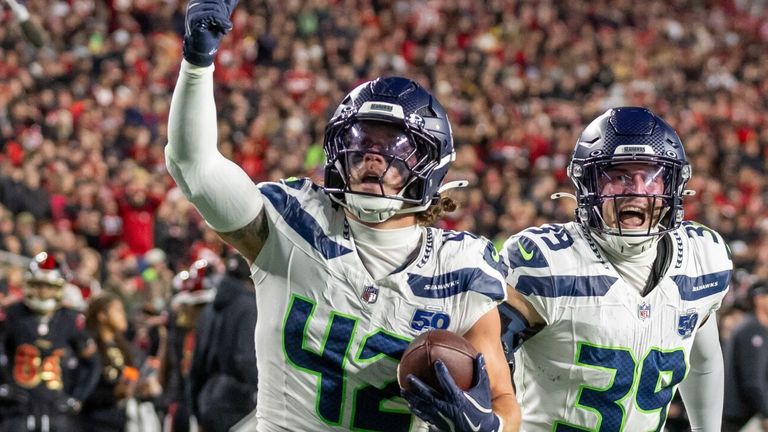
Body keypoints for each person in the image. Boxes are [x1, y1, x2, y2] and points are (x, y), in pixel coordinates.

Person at [164, 1, 520, 431]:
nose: (373, 156)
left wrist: (486, 425)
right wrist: (197, 63)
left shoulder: (461, 268)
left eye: (394, 147)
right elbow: (195, 167)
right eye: (361, 141)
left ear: (430, 166)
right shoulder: (293, 223)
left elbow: (503, 401)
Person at [499, 107, 732, 431]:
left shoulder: (701, 257)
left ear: (672, 186)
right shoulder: (546, 262)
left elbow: (703, 361)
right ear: (588, 185)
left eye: (650, 177)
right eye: (619, 176)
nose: (636, 190)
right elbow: (482, 359)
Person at [0, 251, 101, 432]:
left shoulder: (69, 319)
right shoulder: (12, 314)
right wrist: (4, 385)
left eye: (49, 287)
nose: (43, 292)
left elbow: (92, 363)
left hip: (55, 408)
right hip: (18, 407)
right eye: (38, 285)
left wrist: (77, 397)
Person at [189, 252, 258, 432]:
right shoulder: (250, 306)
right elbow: (247, 360)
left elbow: (196, 368)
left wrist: (195, 411)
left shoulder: (208, 310)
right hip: (240, 406)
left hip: (208, 400)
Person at [723, 280, 768, 432]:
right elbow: (752, 381)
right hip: (738, 417)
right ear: (759, 299)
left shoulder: (757, 327)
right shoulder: (751, 329)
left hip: (745, 413)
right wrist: (766, 412)